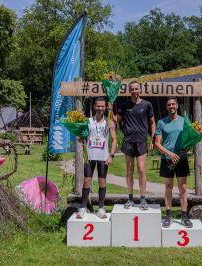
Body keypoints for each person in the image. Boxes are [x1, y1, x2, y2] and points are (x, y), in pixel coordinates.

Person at [115, 80, 156, 210]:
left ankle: (143, 198)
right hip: (128, 141)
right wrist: (111, 109)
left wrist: (153, 138)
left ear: (140, 90)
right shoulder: (125, 105)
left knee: (142, 169)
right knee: (129, 170)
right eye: (132, 89)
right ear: (129, 91)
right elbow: (117, 120)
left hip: (142, 141)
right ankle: (130, 198)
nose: (134, 91)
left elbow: (152, 122)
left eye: (136, 89)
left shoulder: (147, 104)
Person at [154, 97, 192, 228]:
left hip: (182, 158)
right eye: (169, 104)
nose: (171, 106)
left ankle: (184, 216)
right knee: (168, 186)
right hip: (167, 159)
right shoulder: (161, 122)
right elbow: (157, 144)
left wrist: (187, 147)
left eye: (173, 104)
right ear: (166, 107)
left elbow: (190, 138)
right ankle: (168, 215)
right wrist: (169, 154)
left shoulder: (185, 121)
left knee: (182, 187)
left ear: (177, 106)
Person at [77, 97, 117, 219]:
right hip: (90, 156)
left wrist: (111, 155)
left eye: (102, 106)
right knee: (87, 181)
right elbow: (81, 138)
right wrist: (80, 136)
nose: (100, 109)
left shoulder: (109, 122)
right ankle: (83, 208)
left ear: (105, 107)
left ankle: (101, 208)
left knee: (102, 182)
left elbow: (115, 139)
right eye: (98, 106)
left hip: (103, 157)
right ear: (94, 107)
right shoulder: (88, 121)